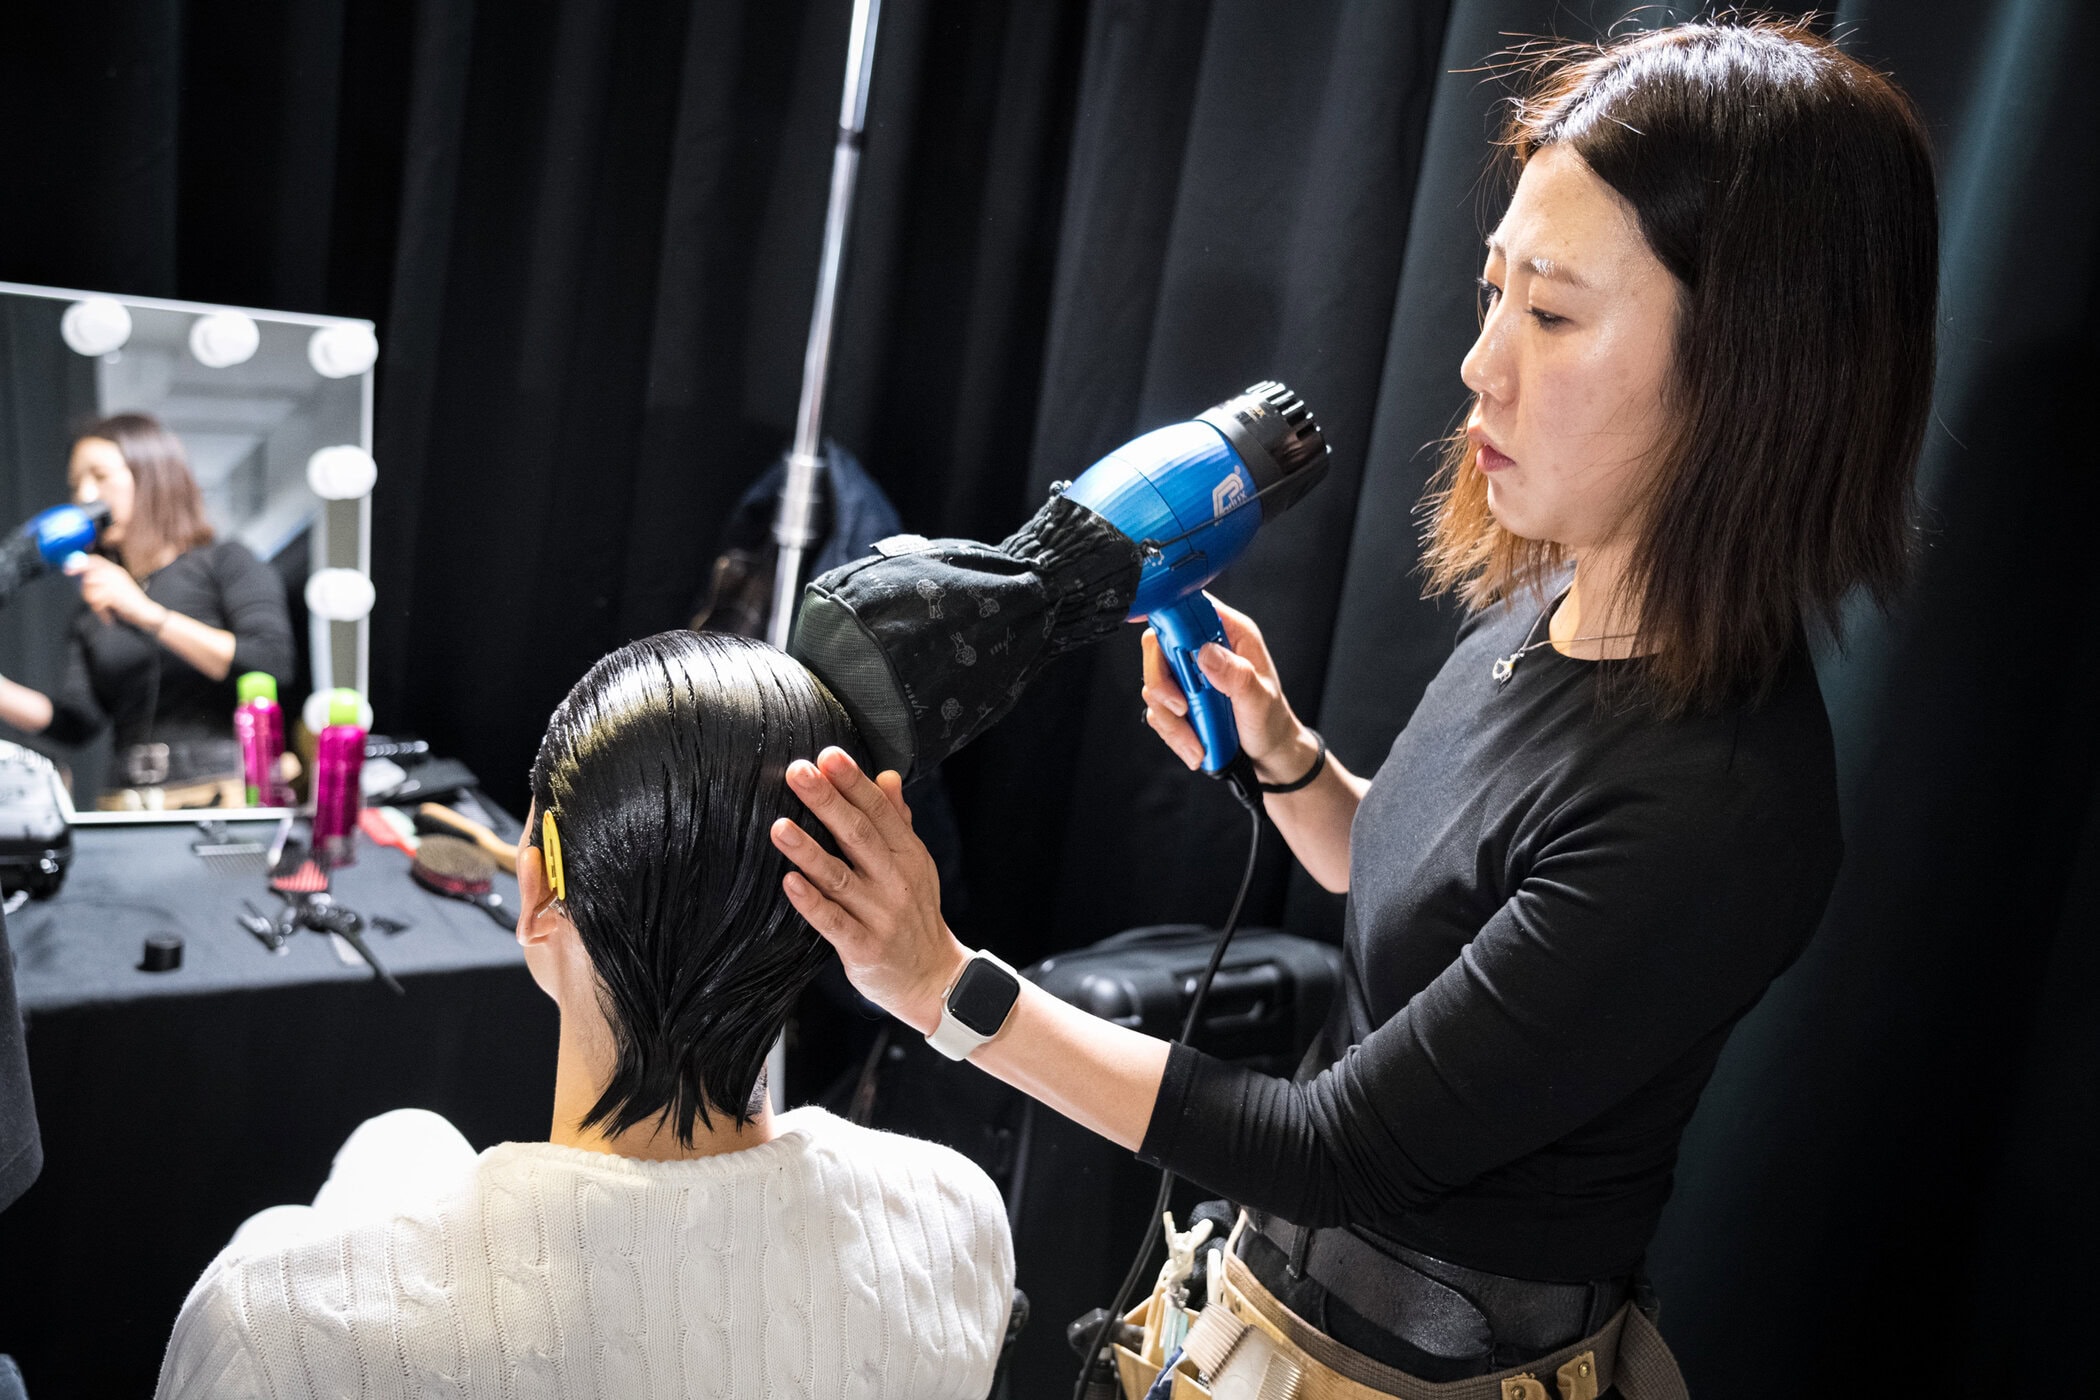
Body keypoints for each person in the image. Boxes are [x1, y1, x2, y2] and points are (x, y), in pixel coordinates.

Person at [768, 19, 1936, 1395]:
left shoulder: (1718, 807)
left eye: (1551, 314)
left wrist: (944, 988)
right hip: (1275, 1309)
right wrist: (1287, 760)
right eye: (1493, 291)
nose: (1480, 364)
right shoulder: (1562, 599)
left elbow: (1338, 1147)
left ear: (1755, 366)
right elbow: (1445, 903)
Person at [155, 632, 1015, 1400]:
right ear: (837, 920)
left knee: (389, 1146)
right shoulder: (955, 1221)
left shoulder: (278, 1332)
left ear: (535, 896)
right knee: (404, 1139)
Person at [0, 413, 295, 791]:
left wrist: (148, 614)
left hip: (226, 792)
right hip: (129, 800)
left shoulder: (225, 563)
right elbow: (78, 723)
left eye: (100, 477)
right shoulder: (96, 605)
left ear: (152, 475)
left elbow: (271, 663)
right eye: (77, 485)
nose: (86, 498)